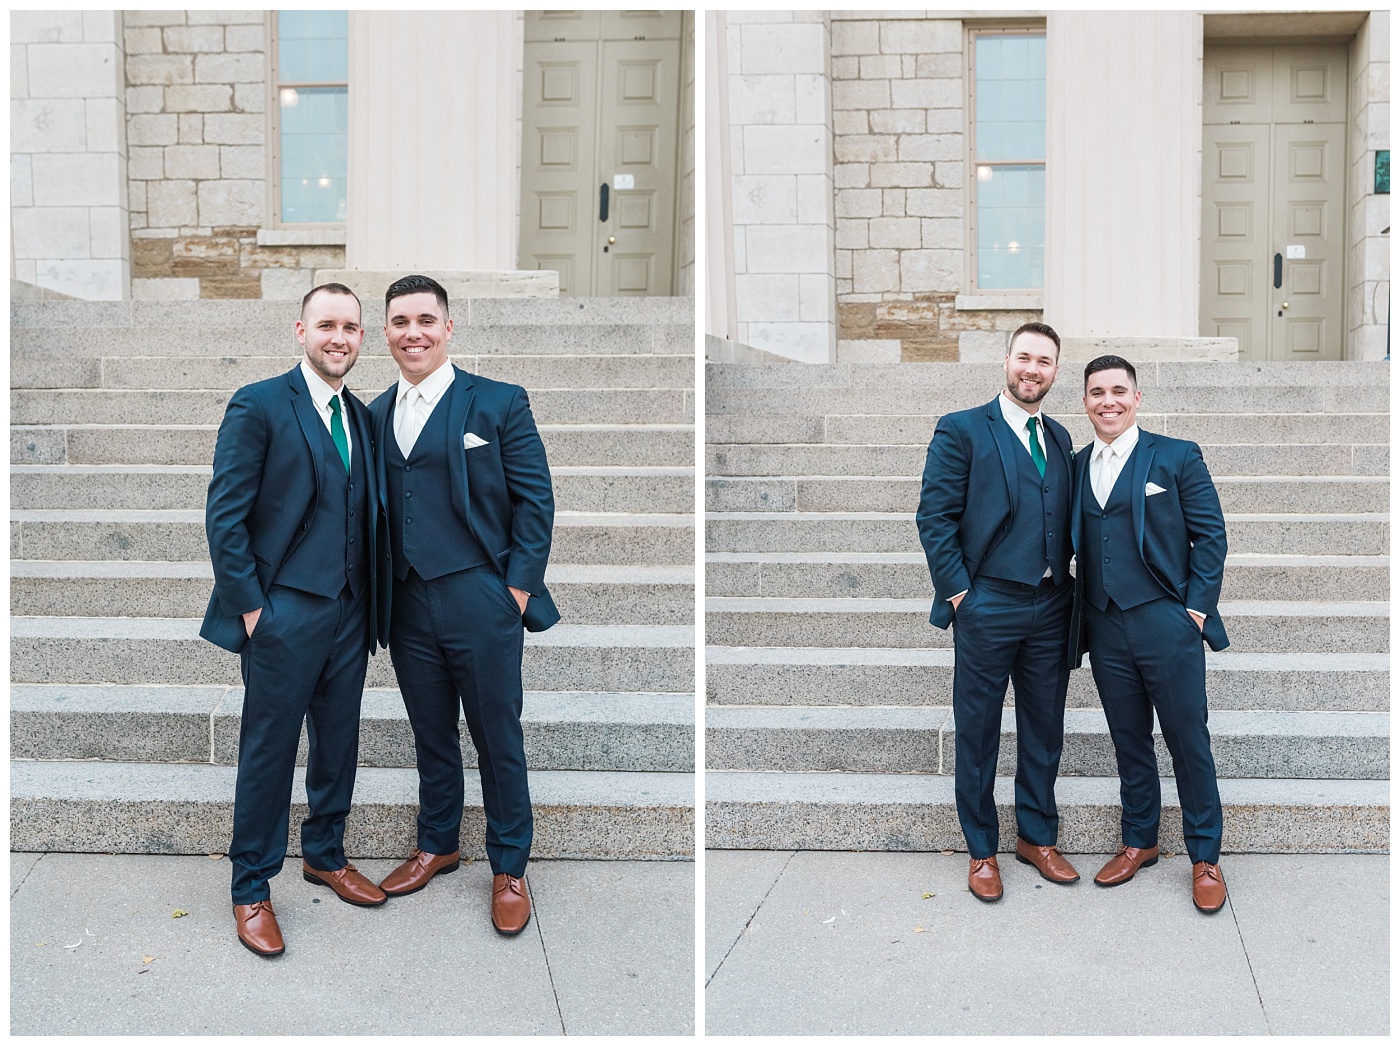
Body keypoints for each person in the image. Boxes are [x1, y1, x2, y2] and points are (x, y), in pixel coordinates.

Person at [368, 274, 559, 935]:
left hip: (482, 595)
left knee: (496, 736)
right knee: (431, 735)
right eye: (399, 321)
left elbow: (536, 501)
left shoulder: (499, 403)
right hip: (407, 604)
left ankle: (509, 865)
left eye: (425, 319)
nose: (412, 332)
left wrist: (513, 590)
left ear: (448, 328)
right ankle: (437, 843)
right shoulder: (371, 415)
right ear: (385, 333)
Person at [202, 283, 385, 957]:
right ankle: (251, 886)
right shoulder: (258, 403)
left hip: (349, 611)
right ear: (300, 331)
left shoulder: (361, 416)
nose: (340, 338)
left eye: (352, 328)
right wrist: (253, 608)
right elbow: (225, 516)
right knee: (270, 752)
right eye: (327, 325)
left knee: (338, 742)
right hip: (282, 613)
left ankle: (325, 854)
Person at [915, 321, 1079, 903]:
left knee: (1044, 729)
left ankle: (1037, 837)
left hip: (1052, 605)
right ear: (1007, 360)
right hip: (988, 604)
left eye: (1045, 362)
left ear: (1056, 372)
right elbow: (933, 518)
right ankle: (982, 848)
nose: (1032, 369)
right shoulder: (960, 429)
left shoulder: (1059, 437)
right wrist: (962, 595)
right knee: (979, 731)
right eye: (1024, 357)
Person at [1071, 355, 1230, 913]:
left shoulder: (1177, 455)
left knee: (1189, 740)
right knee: (1128, 738)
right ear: (1085, 401)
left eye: (1118, 390)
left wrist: (1194, 611)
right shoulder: (1075, 463)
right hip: (1105, 624)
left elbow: (1211, 539)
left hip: (1167, 621)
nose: (1108, 401)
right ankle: (1140, 840)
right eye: (1097, 392)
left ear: (1137, 398)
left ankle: (1205, 856)